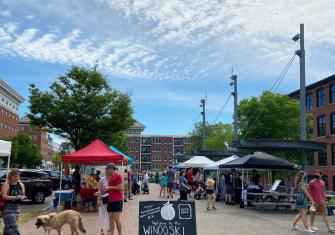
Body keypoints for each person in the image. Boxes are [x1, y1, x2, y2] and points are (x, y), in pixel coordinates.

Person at [1, 169, 26, 235]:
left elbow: (23, 195)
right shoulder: (6, 184)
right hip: (7, 209)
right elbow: (4, 196)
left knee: (9, 229)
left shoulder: (21, 185)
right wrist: (16, 197)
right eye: (14, 176)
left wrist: (22, 197)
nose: (16, 178)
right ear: (10, 176)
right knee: (14, 228)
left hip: (17, 209)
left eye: (17, 176)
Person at [105, 163, 123, 235]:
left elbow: (120, 187)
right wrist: (103, 191)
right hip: (110, 200)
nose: (107, 171)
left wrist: (109, 187)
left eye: (108, 169)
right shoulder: (111, 177)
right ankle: (111, 233)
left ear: (112, 168)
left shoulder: (118, 176)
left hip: (117, 200)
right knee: (110, 218)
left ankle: (120, 234)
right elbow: (111, 188)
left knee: (116, 218)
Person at [97, 169, 110, 235]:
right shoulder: (102, 179)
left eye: (107, 171)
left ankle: (108, 230)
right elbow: (99, 190)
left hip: (111, 199)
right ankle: (102, 230)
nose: (107, 173)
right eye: (106, 171)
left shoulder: (112, 179)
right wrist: (98, 199)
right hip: (103, 198)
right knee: (102, 214)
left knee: (109, 214)